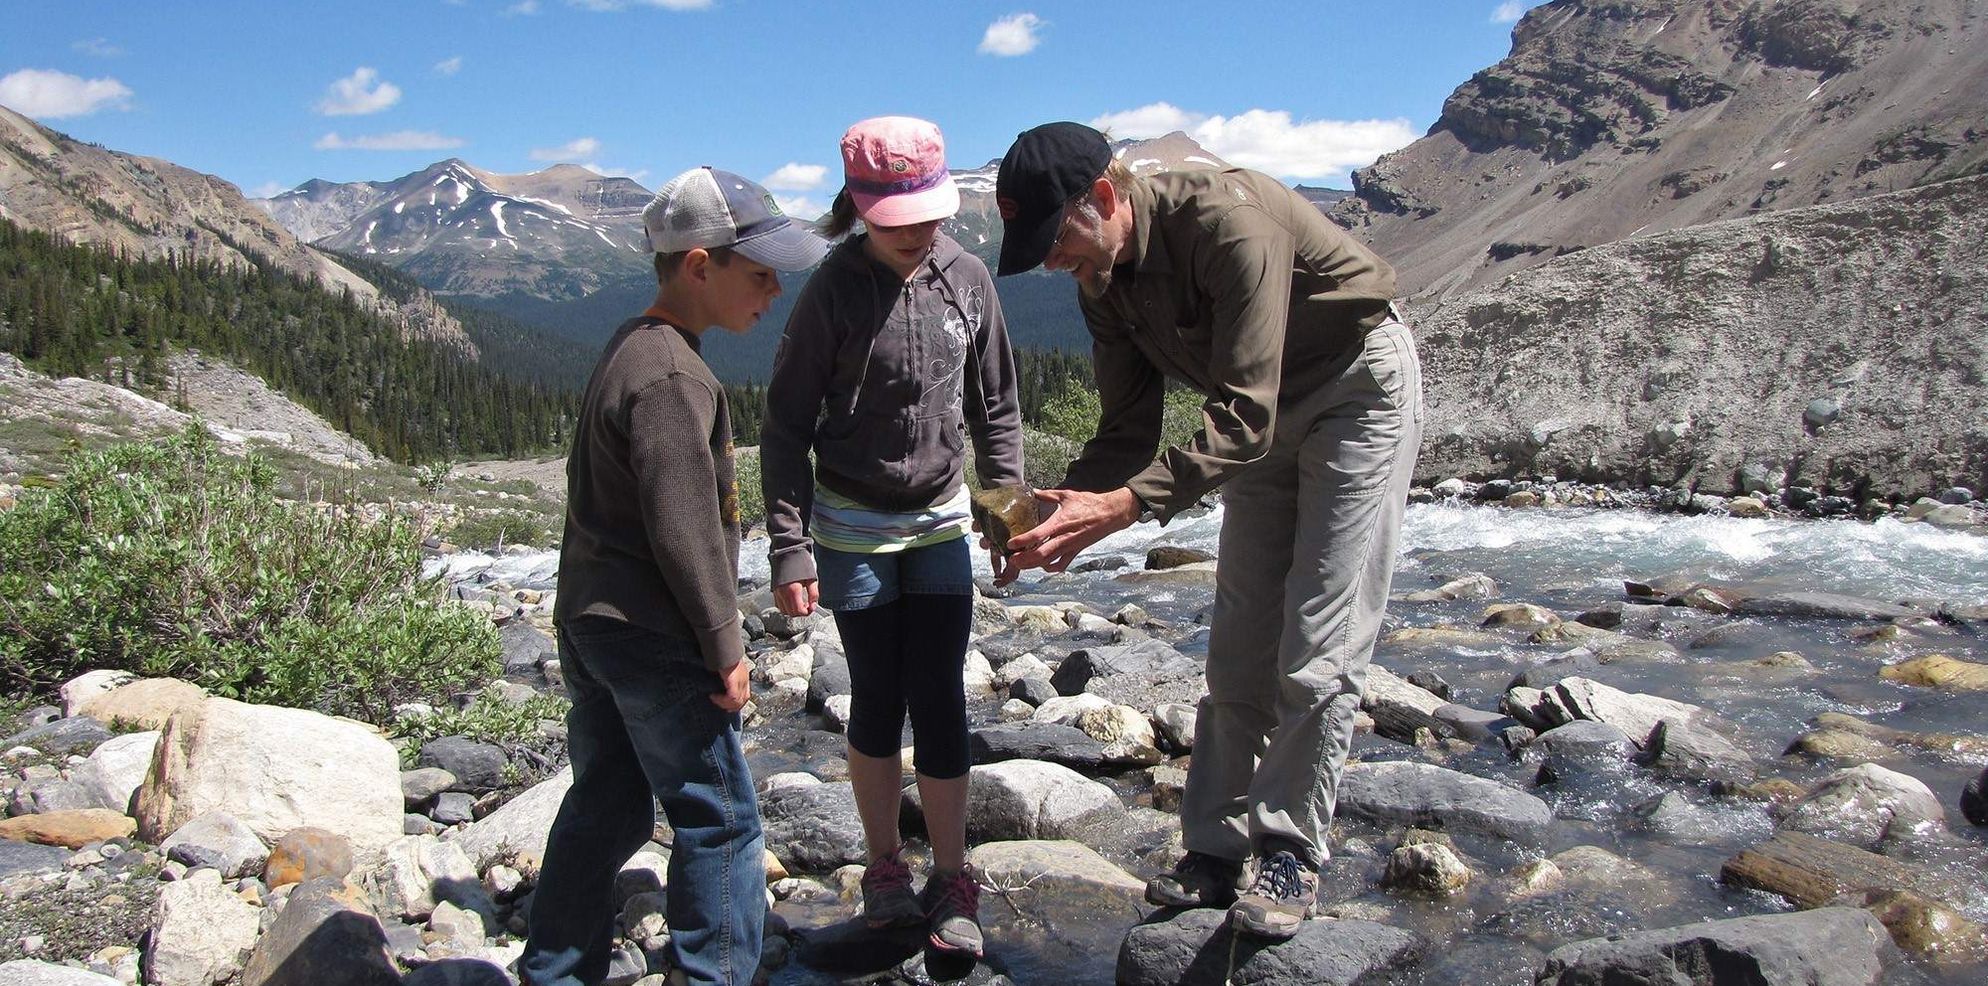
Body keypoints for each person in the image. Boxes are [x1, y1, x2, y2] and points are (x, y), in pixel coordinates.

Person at [991, 122, 1423, 941]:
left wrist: (1121, 508)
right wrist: (1045, 515)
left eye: (1058, 239)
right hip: (1256, 419)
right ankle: (1215, 853)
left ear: (1106, 198)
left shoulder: (1229, 220)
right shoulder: (1102, 279)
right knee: (1239, 638)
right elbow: (1125, 430)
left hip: (1353, 390)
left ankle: (1291, 853)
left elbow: (1244, 417)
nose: (1054, 262)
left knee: (1318, 640)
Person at [521, 166, 828, 986]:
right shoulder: (671, 376)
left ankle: (555, 969)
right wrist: (725, 646)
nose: (774, 291)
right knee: (720, 818)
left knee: (609, 801)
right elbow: (685, 528)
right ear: (700, 266)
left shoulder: (632, 346)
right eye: (759, 274)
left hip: (593, 621)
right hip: (654, 634)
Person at [759, 116, 1025, 960]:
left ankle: (952, 879)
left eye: (930, 216)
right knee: (877, 693)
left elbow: (997, 409)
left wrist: (1008, 512)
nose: (918, 231)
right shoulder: (832, 291)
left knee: (940, 692)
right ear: (861, 209)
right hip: (852, 524)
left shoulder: (968, 278)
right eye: (897, 218)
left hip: (941, 517)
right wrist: (789, 545)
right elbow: (785, 425)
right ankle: (883, 868)